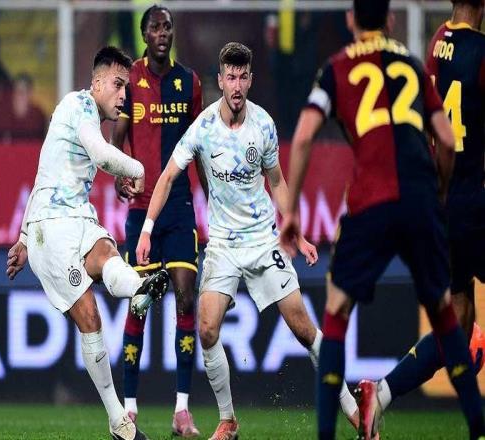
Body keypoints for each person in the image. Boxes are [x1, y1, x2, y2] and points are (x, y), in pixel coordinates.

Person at [280, 0, 485, 439]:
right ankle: (478, 426)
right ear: (391, 20)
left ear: (350, 19)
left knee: (337, 315)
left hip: (372, 201)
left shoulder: (343, 66)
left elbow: (304, 136)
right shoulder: (410, 63)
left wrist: (291, 210)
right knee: (448, 320)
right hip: (431, 199)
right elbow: (446, 139)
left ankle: (330, 431)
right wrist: (439, 191)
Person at [135, 41, 360, 440]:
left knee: (303, 328)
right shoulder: (203, 127)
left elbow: (277, 181)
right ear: (220, 81)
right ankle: (228, 420)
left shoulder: (263, 125)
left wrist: (296, 232)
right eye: (230, 77)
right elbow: (168, 177)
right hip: (222, 245)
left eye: (242, 77)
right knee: (206, 329)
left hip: (262, 242)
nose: (236, 86)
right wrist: (147, 228)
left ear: (250, 80)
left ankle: (354, 409)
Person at [5, 46, 170, 440]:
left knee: (107, 253)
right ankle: (119, 422)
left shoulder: (82, 115)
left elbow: (43, 173)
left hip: (76, 217)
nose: (123, 95)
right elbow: (101, 154)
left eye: (127, 88)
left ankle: (139, 289)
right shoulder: (78, 104)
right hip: (51, 229)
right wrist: (137, 168)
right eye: (117, 85)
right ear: (96, 83)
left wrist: (22, 237)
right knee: (90, 315)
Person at [352, 0, 485, 436]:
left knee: (458, 322)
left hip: (441, 200)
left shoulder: (438, 41)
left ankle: (380, 395)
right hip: (473, 198)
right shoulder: (480, 52)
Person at [111, 5, 203, 437]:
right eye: (155, 27)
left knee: (186, 299)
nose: (162, 33)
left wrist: (211, 198)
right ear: (144, 34)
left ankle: (181, 411)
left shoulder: (190, 82)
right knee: (140, 303)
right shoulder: (131, 80)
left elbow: (200, 146)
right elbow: (117, 138)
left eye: (167, 26)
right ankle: (129, 409)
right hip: (140, 208)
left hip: (180, 206)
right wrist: (119, 175)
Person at [0, 72, 47, 140]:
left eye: (24, 91)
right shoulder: (0, 114)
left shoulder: (38, 116)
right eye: (17, 91)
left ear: (30, 93)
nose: (20, 95)